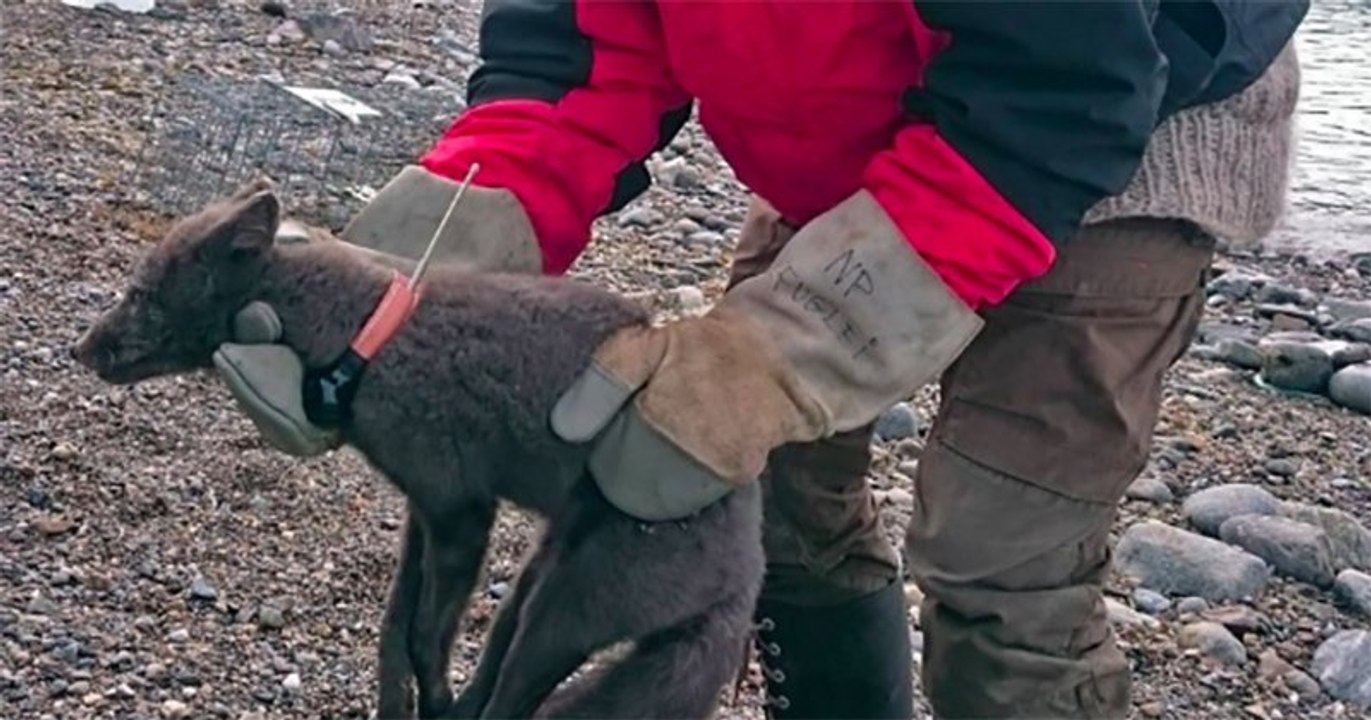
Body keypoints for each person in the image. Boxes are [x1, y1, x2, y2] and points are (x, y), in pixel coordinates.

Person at [212, 1, 1308, 717]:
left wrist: (790, 346)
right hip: (856, 123)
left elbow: (1054, 99)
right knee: (769, 487)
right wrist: (411, 271)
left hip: (1124, 138)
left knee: (1001, 554)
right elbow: (584, 51)